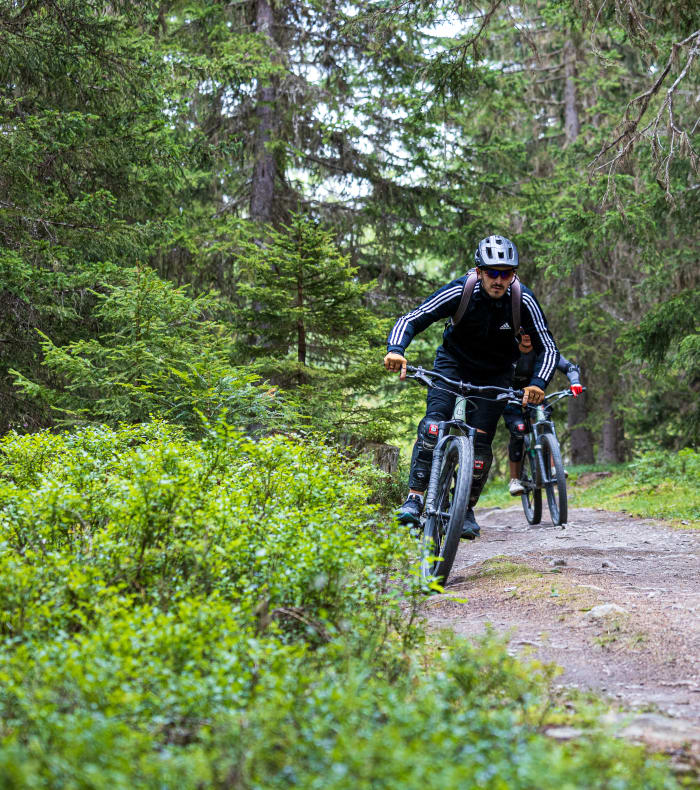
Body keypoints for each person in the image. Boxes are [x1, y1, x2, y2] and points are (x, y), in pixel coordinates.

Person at [384, 235, 560, 538]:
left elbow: (549, 348)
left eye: (507, 273)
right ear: (479, 271)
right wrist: (397, 348)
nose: (499, 279)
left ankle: (463, 507)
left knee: (480, 448)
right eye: (492, 272)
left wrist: (538, 383)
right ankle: (414, 499)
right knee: (433, 428)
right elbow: (412, 318)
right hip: (452, 365)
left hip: (496, 376)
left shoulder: (522, 299)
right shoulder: (460, 290)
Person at [504, 334, 583, 496]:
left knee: (543, 419)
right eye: (523, 332)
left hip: (536, 396)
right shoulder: (508, 350)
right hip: (510, 397)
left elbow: (569, 367)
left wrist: (575, 382)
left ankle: (555, 468)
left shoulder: (544, 351)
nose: (527, 336)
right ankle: (514, 479)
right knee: (518, 431)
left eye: (529, 332)